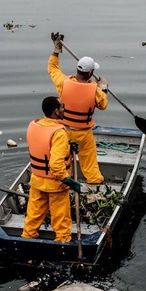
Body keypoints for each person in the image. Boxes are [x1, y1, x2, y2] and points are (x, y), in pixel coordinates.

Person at [48, 31, 109, 184]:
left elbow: (52, 68)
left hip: (64, 131)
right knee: (89, 160)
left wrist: (56, 50)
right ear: (90, 72)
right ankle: (95, 181)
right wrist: (104, 88)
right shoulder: (95, 90)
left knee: (62, 158)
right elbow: (103, 105)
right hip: (83, 133)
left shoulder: (63, 83)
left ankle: (62, 180)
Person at [21, 96, 81, 243]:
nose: (64, 109)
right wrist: (69, 181)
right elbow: (55, 164)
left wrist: (68, 146)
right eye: (62, 107)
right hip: (56, 185)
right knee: (61, 220)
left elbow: (44, 148)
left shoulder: (34, 125)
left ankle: (26, 242)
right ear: (55, 111)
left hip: (37, 181)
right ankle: (61, 243)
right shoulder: (59, 133)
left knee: (33, 217)